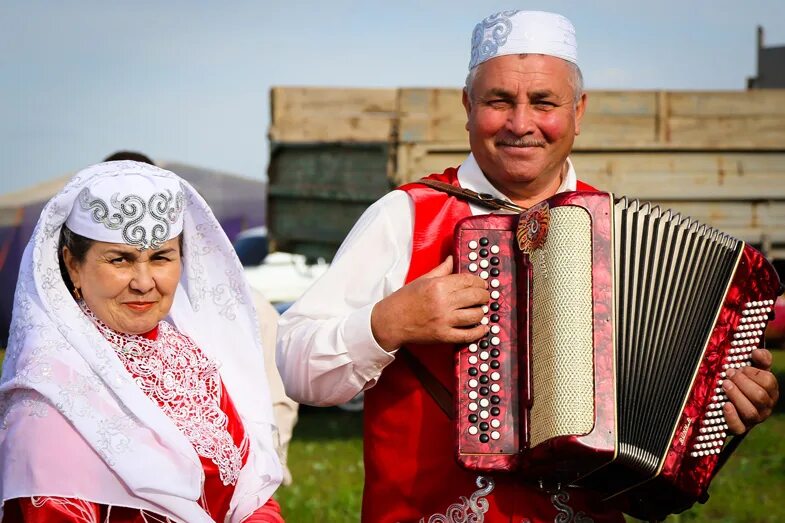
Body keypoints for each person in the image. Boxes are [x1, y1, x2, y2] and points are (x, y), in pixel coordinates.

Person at [276, 10, 781, 522]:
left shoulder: (615, 232)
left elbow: (658, 475)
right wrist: (388, 324)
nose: (521, 124)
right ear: (468, 107)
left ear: (578, 112)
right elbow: (293, 365)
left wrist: (724, 414)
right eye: (499, 101)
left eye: (544, 102)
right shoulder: (405, 216)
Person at [0, 161, 285, 522]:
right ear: (72, 265)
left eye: (161, 258)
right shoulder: (51, 392)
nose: (144, 282)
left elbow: (251, 491)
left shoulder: (187, 357)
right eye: (121, 260)